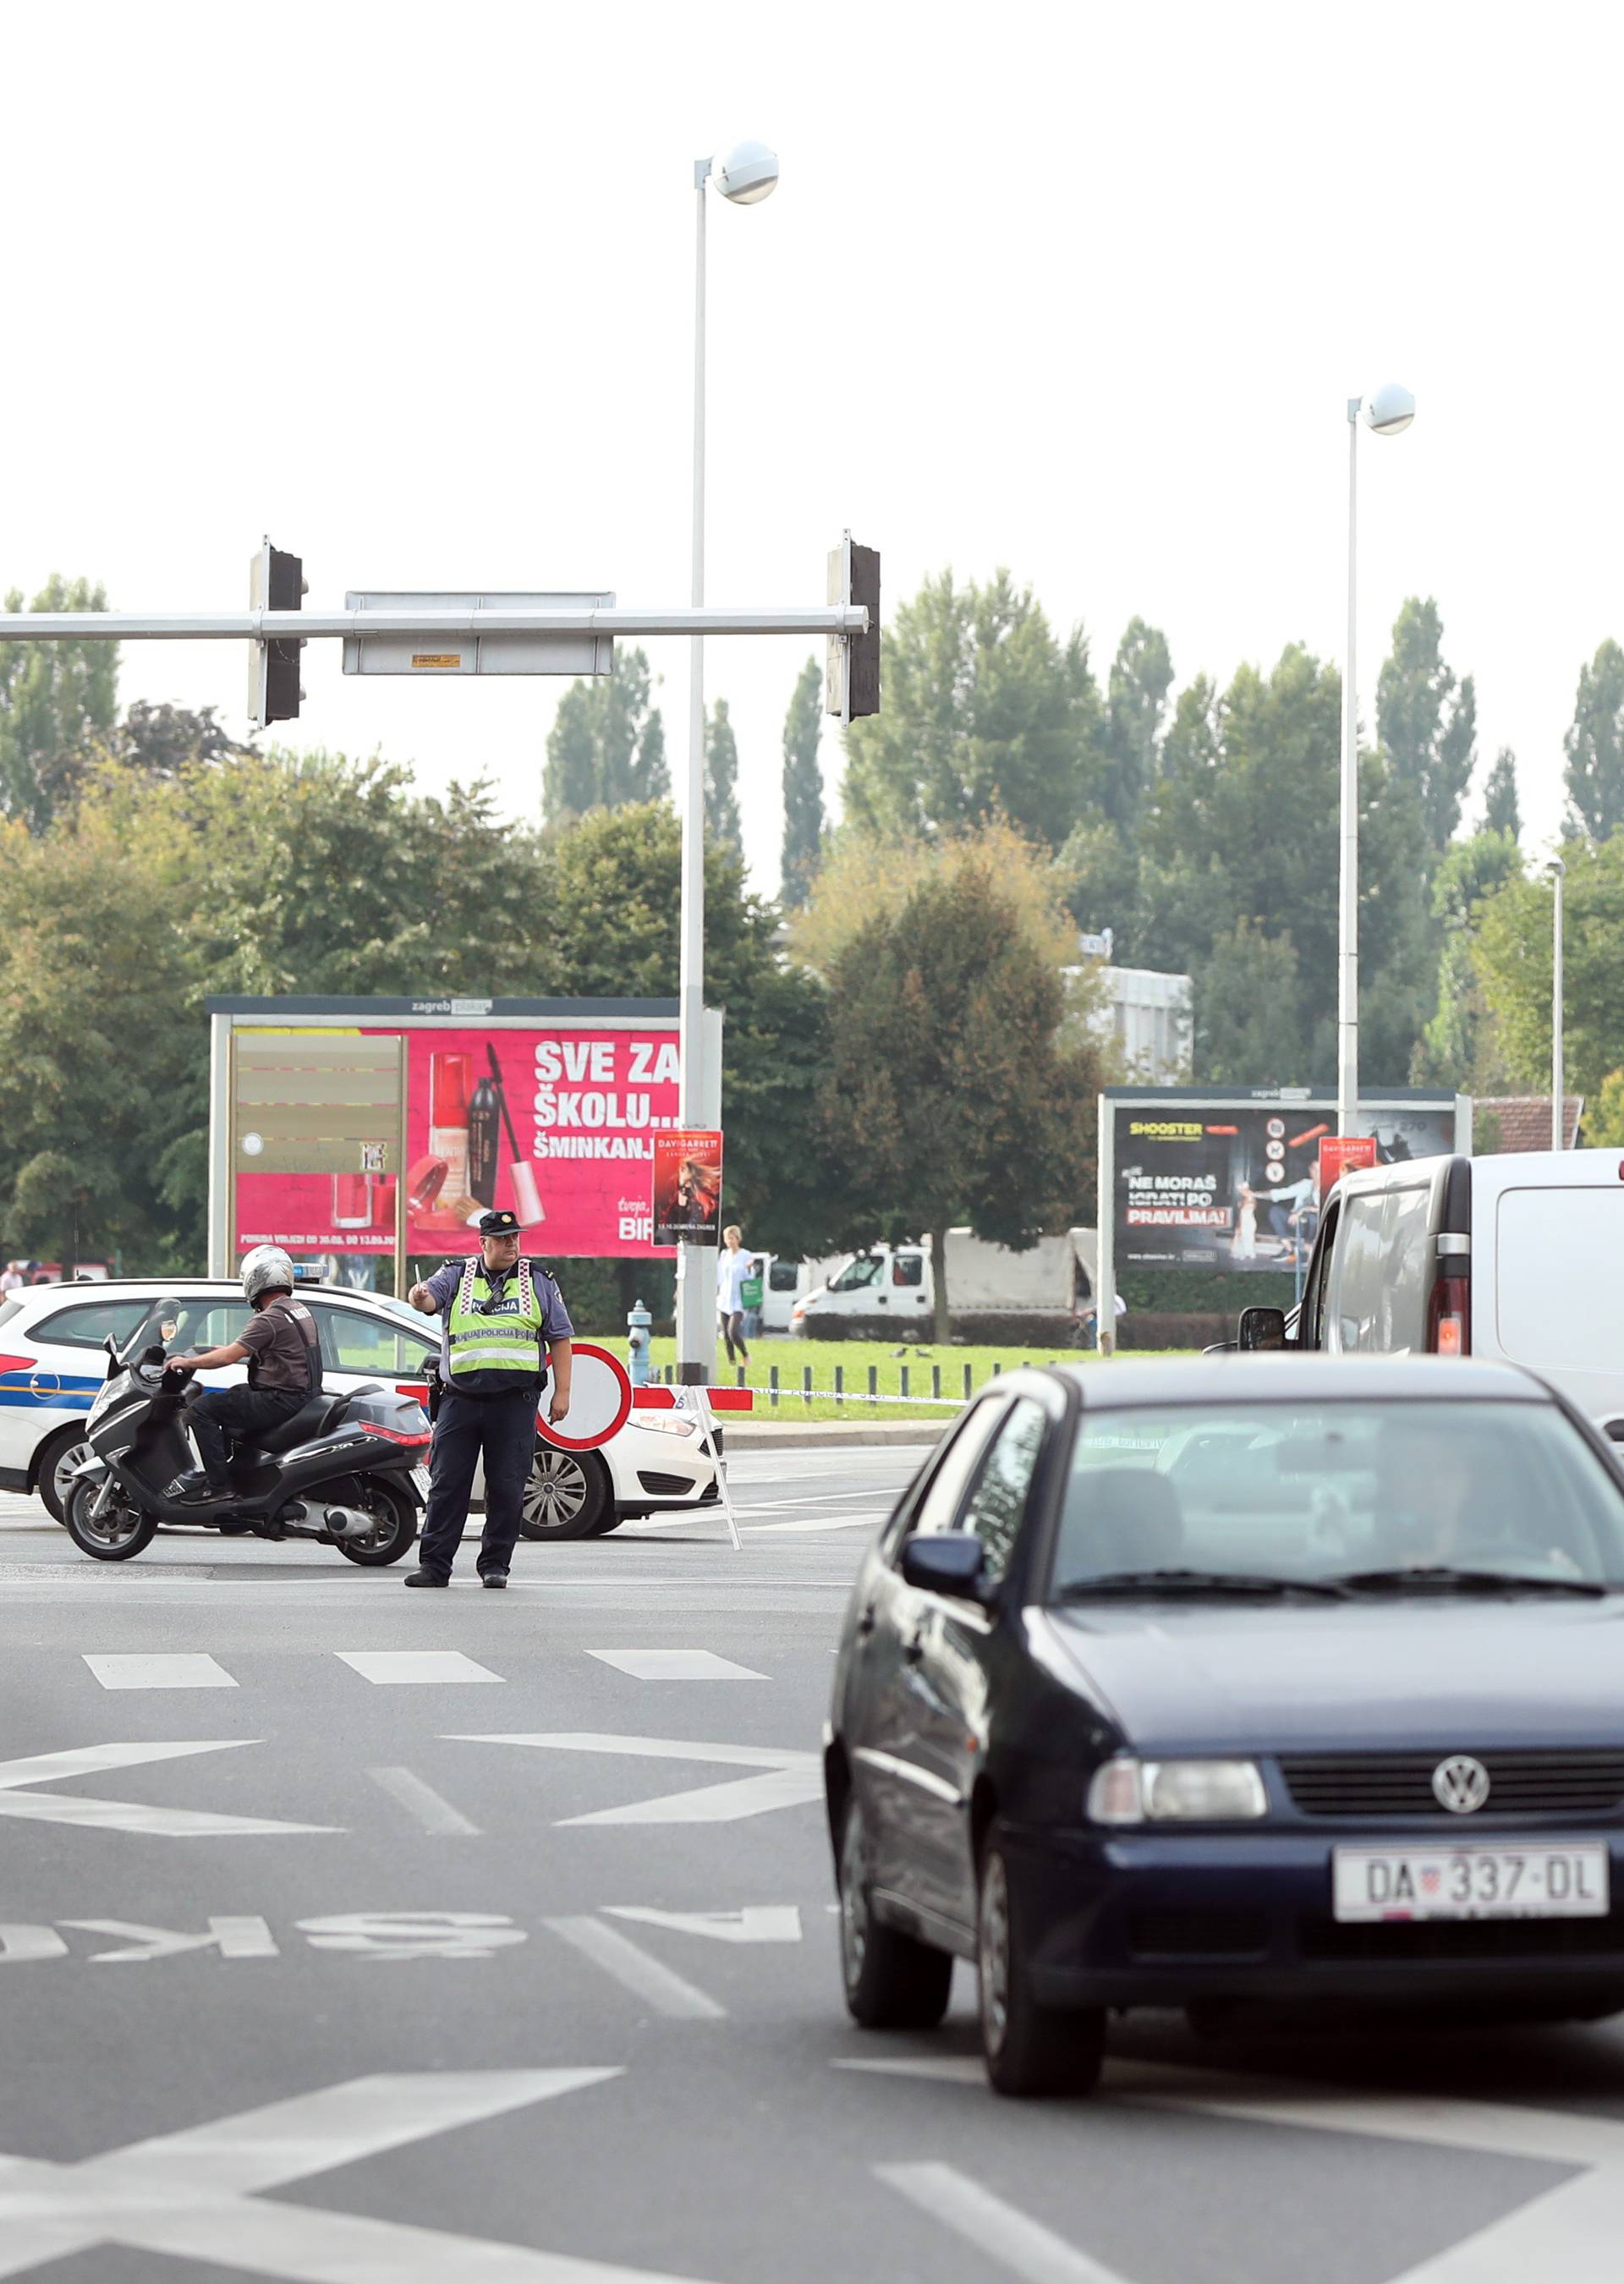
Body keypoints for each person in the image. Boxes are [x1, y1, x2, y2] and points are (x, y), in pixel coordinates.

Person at [403, 1207, 573, 1589]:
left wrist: (562, 1393)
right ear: (484, 1244)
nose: (511, 1244)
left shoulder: (539, 1281)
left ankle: (495, 1565)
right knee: (447, 1484)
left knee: (508, 1485)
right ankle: (434, 1566)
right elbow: (428, 1300)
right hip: (460, 1400)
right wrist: (418, 1298)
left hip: (515, 1401)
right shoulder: (456, 1275)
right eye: (502, 1239)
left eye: (515, 1238)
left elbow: (560, 1338)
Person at [164, 1247, 320, 1499]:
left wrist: (188, 1363)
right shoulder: (296, 1309)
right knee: (231, 1398)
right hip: (301, 1395)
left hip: (280, 1399)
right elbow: (266, 1348)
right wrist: (206, 1351)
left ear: (255, 1280)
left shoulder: (268, 1319)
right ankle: (239, 1476)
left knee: (201, 1410)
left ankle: (219, 1487)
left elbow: (228, 1357)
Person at [716, 1224, 754, 1368]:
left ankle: (745, 1355)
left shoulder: (745, 1255)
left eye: (732, 1238)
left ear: (737, 1239)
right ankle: (731, 1362)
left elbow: (750, 1278)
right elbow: (720, 1275)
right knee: (725, 1334)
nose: (729, 1241)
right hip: (725, 1298)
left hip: (738, 1299)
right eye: (727, 1239)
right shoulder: (724, 1255)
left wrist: (749, 1269)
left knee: (733, 1331)